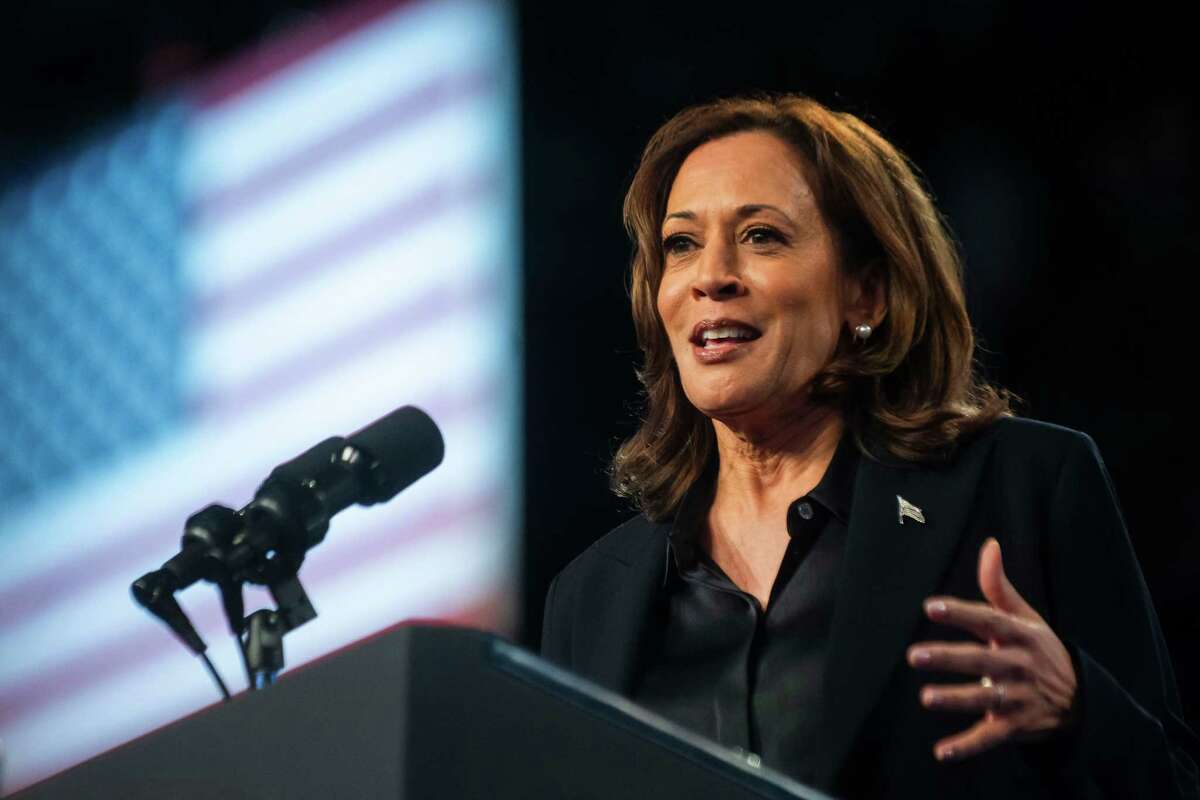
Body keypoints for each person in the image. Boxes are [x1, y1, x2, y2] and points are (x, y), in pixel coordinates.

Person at [540, 94, 1199, 799]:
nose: (711, 276)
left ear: (867, 295)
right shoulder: (591, 598)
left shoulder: (1023, 489)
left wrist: (1077, 709)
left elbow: (1173, 785)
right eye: (681, 244)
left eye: (762, 235)